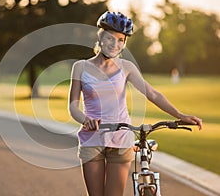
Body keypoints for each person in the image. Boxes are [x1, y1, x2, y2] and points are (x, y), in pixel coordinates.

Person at [68, 11, 202, 196]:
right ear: (100, 37)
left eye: (121, 40)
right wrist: (86, 120)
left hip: (121, 139)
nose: (115, 44)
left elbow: (152, 94)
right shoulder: (80, 67)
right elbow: (73, 105)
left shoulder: (126, 68)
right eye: (110, 38)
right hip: (92, 139)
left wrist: (180, 115)